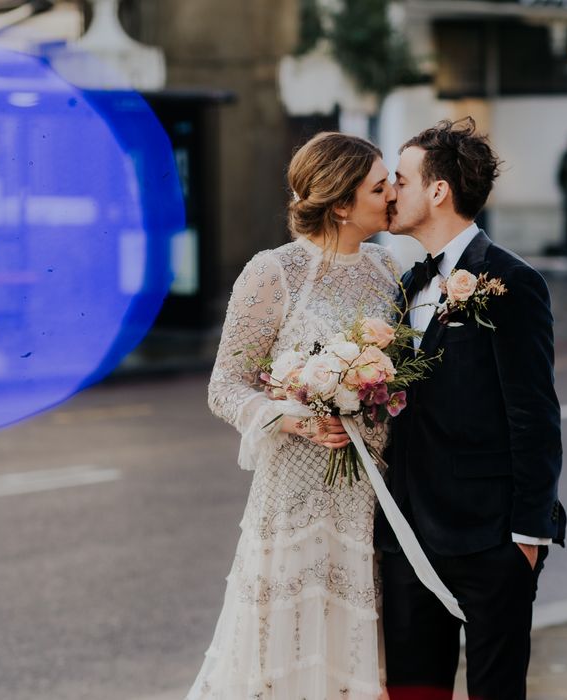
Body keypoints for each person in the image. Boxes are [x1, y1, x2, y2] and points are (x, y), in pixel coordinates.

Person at [186, 132, 400, 699]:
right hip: (296, 496)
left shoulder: (388, 270)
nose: (393, 195)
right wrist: (300, 417)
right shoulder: (273, 272)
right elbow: (225, 386)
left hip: (372, 495)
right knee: (287, 647)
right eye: (380, 187)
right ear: (340, 204)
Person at [377, 117, 567, 700]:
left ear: (438, 192)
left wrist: (527, 538)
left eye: (400, 180)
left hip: (490, 541)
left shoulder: (512, 281)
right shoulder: (405, 284)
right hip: (407, 539)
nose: (389, 192)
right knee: (414, 694)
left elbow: (534, 415)